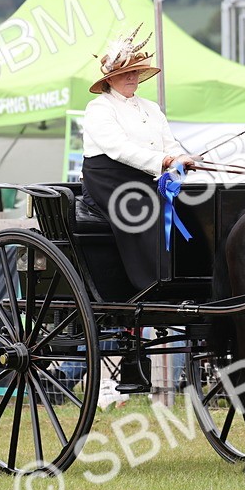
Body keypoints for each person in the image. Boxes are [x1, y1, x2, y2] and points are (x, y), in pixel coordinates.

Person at [81, 26, 197, 293]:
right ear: (110, 79)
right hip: (109, 181)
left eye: (134, 71)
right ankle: (153, 284)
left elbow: (170, 143)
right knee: (148, 211)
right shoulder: (99, 108)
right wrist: (166, 160)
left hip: (147, 178)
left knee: (195, 207)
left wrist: (181, 157)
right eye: (125, 73)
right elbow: (119, 149)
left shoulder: (151, 108)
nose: (131, 77)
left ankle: (191, 282)